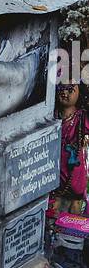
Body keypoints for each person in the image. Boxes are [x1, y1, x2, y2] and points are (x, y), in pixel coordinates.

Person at [55, 81, 89, 211]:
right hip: (54, 173)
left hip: (74, 177)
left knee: (75, 208)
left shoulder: (81, 117)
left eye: (70, 89)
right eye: (61, 88)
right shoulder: (53, 114)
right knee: (54, 208)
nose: (64, 92)